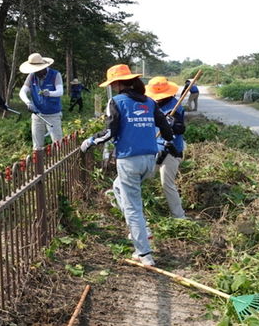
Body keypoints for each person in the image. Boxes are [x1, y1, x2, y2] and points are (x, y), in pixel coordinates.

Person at [80, 65, 174, 266]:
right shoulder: (149, 102)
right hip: (150, 160)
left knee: (132, 208)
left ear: (116, 84)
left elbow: (109, 132)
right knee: (116, 187)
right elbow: (166, 129)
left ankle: (144, 254)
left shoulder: (116, 101)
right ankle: (141, 229)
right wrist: (167, 141)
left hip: (129, 159)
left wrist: (91, 141)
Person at [146, 76, 188, 219]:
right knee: (144, 178)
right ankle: (144, 210)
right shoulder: (152, 104)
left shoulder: (175, 107)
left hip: (171, 150)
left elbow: (180, 129)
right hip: (154, 147)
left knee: (167, 184)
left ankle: (179, 216)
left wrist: (172, 124)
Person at [18, 52, 64, 149]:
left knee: (58, 143)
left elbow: (60, 91)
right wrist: (28, 102)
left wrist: (50, 93)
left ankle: (60, 160)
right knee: (37, 145)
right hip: (38, 115)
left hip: (53, 114)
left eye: (38, 70)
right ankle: (38, 163)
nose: (36, 72)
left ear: (44, 67)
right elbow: (22, 91)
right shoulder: (32, 76)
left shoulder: (55, 75)